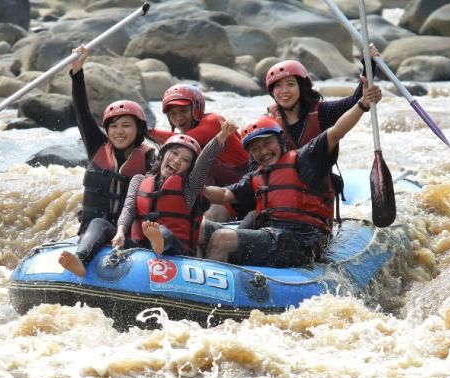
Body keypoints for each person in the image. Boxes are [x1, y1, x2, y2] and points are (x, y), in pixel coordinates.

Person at [201, 75, 382, 267]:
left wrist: (362, 104)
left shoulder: (306, 159)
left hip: (303, 241)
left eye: (267, 143)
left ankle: (207, 292)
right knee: (200, 228)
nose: (263, 152)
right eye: (255, 149)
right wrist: (194, 188)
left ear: (280, 141)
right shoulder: (257, 176)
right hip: (270, 236)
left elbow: (337, 131)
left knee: (222, 238)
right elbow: (224, 194)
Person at [58, 46, 156, 276]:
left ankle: (82, 258)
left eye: (126, 125)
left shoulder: (150, 159)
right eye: (113, 126)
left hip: (128, 235)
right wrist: (77, 71)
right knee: (98, 224)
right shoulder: (97, 146)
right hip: (92, 230)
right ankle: (80, 259)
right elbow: (82, 111)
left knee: (103, 226)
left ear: (138, 129)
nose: (119, 132)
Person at [111, 122, 235, 260]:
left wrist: (222, 136)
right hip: (139, 246)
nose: (176, 161)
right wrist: (120, 232)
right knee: (100, 224)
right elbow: (128, 209)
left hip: (177, 251)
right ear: (162, 155)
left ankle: (158, 244)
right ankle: (82, 256)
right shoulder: (138, 180)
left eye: (185, 160)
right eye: (174, 153)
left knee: (162, 232)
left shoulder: (190, 188)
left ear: (189, 168)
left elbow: (204, 162)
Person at [264, 44, 381, 151]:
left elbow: (355, 102)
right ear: (272, 92)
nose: (284, 91)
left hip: (317, 173)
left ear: (302, 87)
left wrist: (369, 64)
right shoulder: (267, 122)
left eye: (290, 84)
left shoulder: (322, 113)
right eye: (278, 86)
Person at [148, 84, 249, 187]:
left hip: (245, 176)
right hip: (228, 178)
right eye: (173, 113)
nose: (178, 118)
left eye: (183, 111)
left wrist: (145, 131)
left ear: (196, 109)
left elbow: (176, 140)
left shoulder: (213, 121)